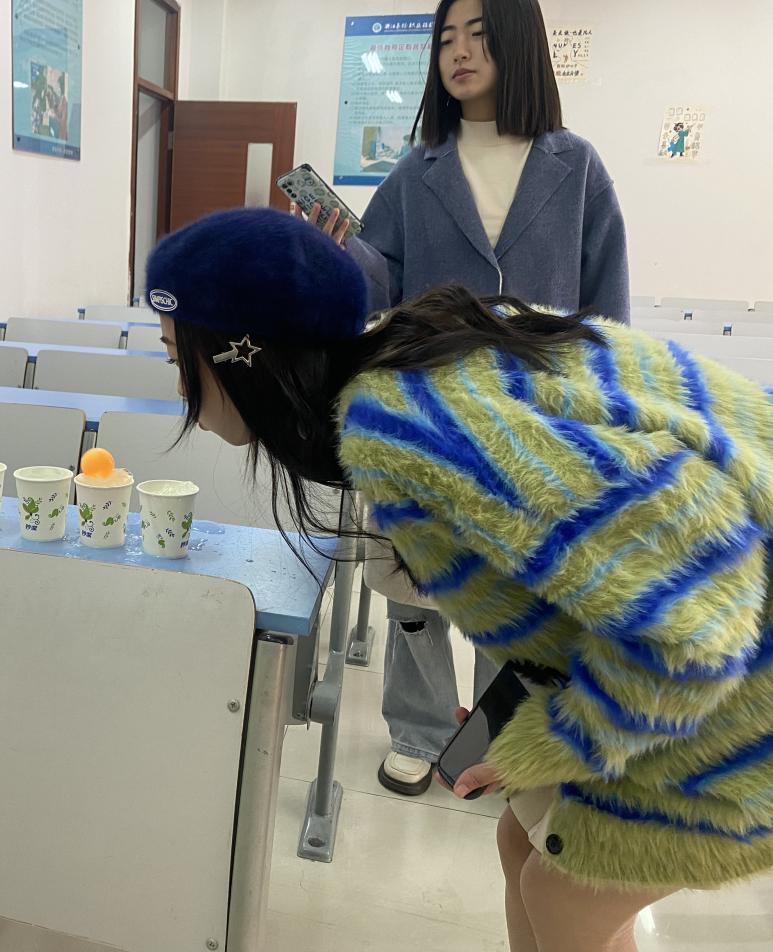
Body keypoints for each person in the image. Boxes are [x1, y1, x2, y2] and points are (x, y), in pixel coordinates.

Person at [144, 206, 773, 952]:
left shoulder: (403, 428)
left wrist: (558, 737)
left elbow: (693, 612)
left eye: (177, 354)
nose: (175, 382)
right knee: (522, 844)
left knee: (566, 895)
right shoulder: (410, 358)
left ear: (241, 357)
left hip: (743, 678)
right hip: (727, 629)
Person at [310, 0, 631, 798]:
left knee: (515, 591)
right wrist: (333, 251)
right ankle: (416, 729)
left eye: (478, 35)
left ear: (517, 44)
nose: (457, 52)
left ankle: (497, 740)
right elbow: (376, 275)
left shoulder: (574, 164)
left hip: (533, 419)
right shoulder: (418, 168)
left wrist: (606, 411)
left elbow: (607, 300)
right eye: (446, 38)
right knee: (412, 587)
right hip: (427, 411)